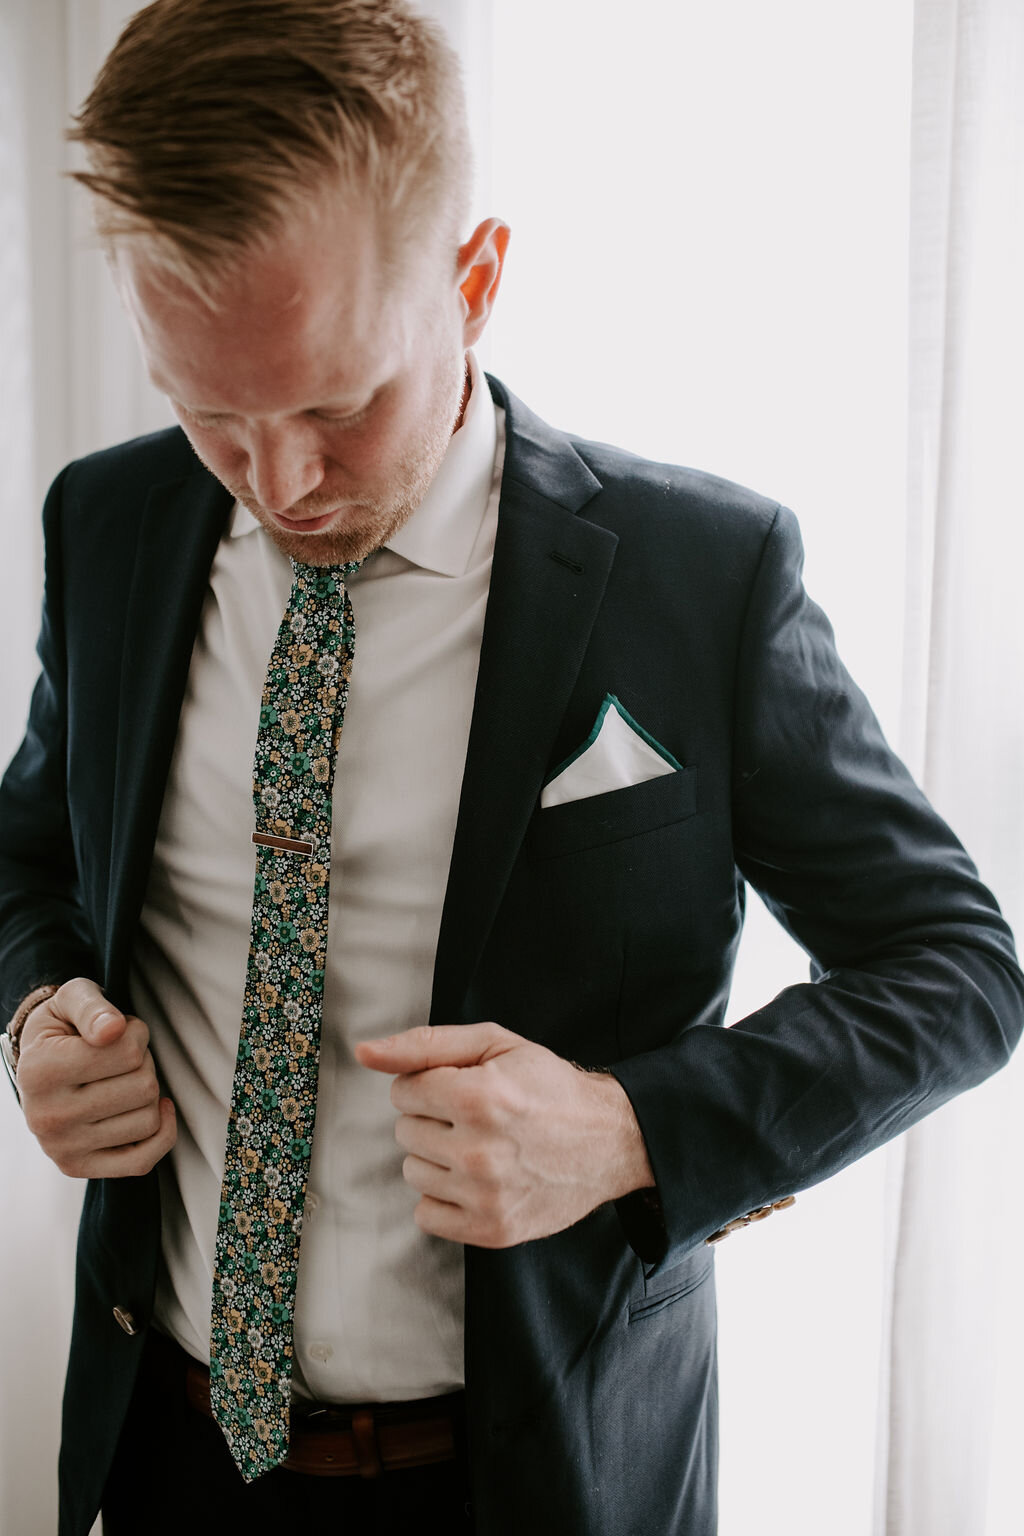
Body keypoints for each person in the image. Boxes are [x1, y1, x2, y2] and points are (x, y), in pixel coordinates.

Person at [0, 2, 1020, 1533]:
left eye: (339, 404)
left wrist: (626, 1130)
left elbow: (957, 972)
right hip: (168, 1456)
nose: (282, 484)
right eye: (209, 412)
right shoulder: (109, 525)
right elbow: (28, 851)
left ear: (474, 282)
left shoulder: (700, 573)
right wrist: (34, 1014)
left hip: (541, 1476)